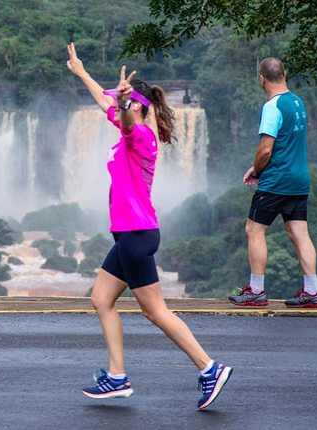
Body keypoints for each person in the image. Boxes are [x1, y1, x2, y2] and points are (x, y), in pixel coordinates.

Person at [66, 42, 232, 410]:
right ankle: (117, 377)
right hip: (128, 235)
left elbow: (123, 118)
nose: (116, 102)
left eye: (124, 100)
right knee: (101, 298)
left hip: (137, 236)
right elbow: (106, 104)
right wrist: (81, 73)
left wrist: (124, 106)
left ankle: (209, 368)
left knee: (154, 310)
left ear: (137, 106)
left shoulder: (140, 137)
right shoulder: (129, 120)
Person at [229, 57, 317, 308]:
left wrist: (257, 170)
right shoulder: (297, 102)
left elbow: (265, 150)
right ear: (285, 74)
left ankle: (257, 291)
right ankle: (312, 292)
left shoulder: (272, 107)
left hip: (276, 181)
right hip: (299, 179)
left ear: (262, 79)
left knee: (255, 229)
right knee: (299, 233)